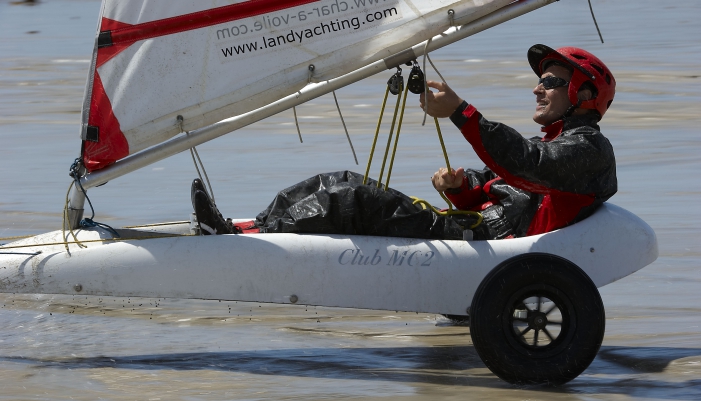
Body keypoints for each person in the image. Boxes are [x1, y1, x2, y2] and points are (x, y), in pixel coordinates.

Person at [192, 44, 617, 240]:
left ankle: (235, 240)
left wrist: (460, 111)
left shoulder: (589, 152)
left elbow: (525, 163)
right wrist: (461, 186)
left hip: (480, 241)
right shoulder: (556, 144)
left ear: (583, 95)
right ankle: (241, 229)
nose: (538, 89)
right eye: (539, 80)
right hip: (476, 229)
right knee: (333, 181)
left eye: (551, 82)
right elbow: (498, 179)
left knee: (352, 198)